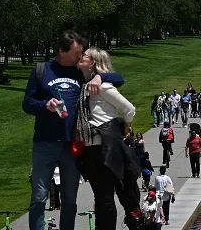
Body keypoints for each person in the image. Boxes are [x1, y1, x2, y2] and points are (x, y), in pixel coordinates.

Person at [22, 31, 124, 230]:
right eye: (77, 52)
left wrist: (99, 78)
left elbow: (119, 79)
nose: (80, 56)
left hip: (73, 144)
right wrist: (45, 105)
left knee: (70, 199)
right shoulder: (42, 70)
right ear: (62, 50)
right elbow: (27, 103)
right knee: (39, 197)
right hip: (45, 142)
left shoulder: (80, 72)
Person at [74, 48, 141, 230]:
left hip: (105, 148)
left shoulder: (101, 87)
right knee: (101, 197)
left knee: (104, 198)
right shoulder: (86, 84)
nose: (81, 57)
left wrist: (126, 127)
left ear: (93, 62)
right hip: (91, 148)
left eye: (85, 56)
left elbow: (129, 108)